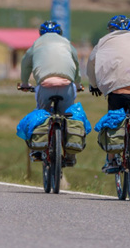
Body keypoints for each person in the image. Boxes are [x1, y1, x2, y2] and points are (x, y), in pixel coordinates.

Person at [86, 15, 130, 174]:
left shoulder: (104, 41)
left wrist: (94, 85)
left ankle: (111, 160)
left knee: (115, 121)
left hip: (118, 93)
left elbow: (91, 61)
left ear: (111, 29)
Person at [19, 20, 83, 164]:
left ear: (40, 33)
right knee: (68, 115)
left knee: (41, 113)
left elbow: (25, 63)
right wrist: (78, 84)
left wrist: (24, 83)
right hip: (67, 85)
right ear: (59, 33)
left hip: (45, 85)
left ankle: (38, 149)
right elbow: (76, 64)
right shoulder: (67, 43)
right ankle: (70, 154)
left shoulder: (37, 44)